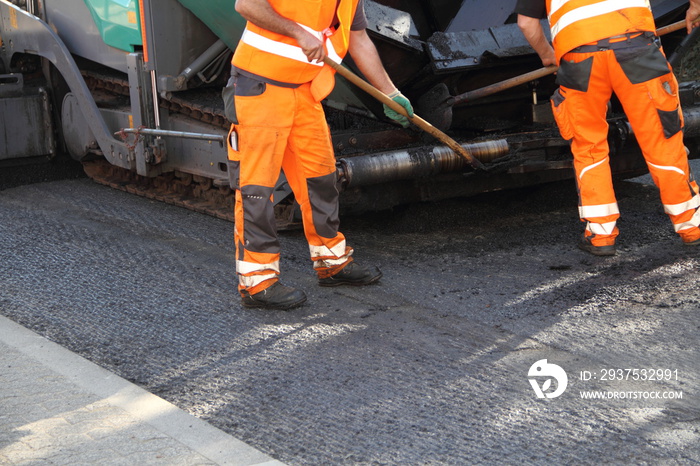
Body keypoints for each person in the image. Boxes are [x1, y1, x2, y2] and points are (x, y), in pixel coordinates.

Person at [226, 0, 414, 309]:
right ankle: (258, 281)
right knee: (256, 190)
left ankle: (331, 261)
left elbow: (358, 39)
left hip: (305, 90)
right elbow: (247, 5)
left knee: (320, 179)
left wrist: (389, 93)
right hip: (260, 86)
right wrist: (298, 33)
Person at [515, 0, 700, 256]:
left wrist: (548, 55)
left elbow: (526, 23)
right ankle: (692, 228)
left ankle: (601, 236)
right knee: (661, 140)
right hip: (637, 49)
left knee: (589, 146)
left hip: (580, 59)